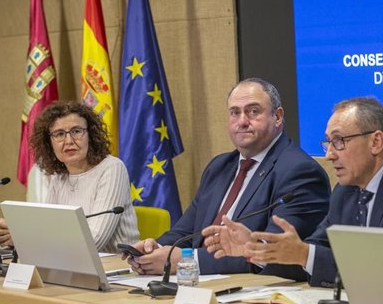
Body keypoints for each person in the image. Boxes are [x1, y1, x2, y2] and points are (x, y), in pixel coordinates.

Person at [203, 96, 383, 287]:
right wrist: (257, 249)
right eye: (328, 142)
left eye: (339, 141)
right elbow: (311, 254)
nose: (329, 154)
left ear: (376, 142)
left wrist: (305, 254)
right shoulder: (345, 192)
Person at [125, 78, 330, 276]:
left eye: (253, 111)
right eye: (234, 112)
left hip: (250, 289)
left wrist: (187, 261)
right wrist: (155, 248)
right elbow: (186, 232)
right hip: (199, 284)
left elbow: (272, 254)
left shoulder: (300, 172)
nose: (242, 121)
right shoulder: (219, 166)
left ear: (277, 117)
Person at [0, 101, 138, 253]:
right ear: (49, 142)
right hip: (71, 265)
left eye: (76, 131)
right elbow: (49, 228)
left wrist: (24, 237)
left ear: (91, 135)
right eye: (59, 134)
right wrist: (16, 234)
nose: (69, 141)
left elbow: (94, 241)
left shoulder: (111, 168)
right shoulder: (59, 176)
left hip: (119, 268)